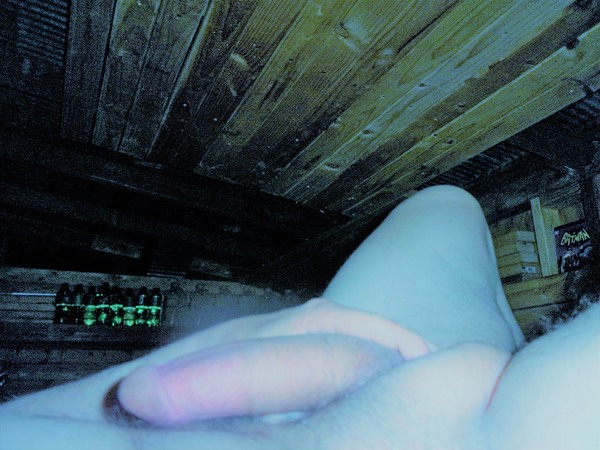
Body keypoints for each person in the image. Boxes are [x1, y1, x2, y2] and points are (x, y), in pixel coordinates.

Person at [0, 186, 598, 449]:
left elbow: (37, 423)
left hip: (378, 377)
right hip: (417, 387)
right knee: (445, 209)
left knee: (446, 208)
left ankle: (512, 334)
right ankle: (512, 334)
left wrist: (228, 342)